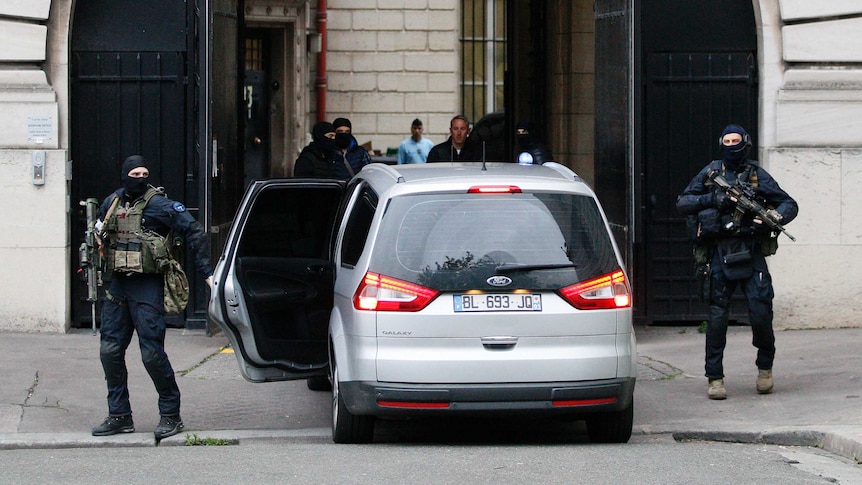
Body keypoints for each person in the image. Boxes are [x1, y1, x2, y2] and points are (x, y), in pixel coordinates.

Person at [92, 155, 213, 439]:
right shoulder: (112, 202)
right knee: (109, 352)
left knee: (152, 355)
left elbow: (194, 231)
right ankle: (119, 415)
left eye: (145, 172)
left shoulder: (160, 204)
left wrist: (208, 273)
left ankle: (171, 416)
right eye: (135, 173)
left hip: (148, 286)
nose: (140, 177)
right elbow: (98, 232)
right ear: (125, 174)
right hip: (119, 285)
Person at [676, 125, 798, 400]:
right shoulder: (711, 172)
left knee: (761, 313)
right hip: (719, 253)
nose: (732, 146)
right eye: (727, 141)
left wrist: (773, 217)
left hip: (750, 252)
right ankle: (715, 378)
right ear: (721, 144)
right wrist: (713, 199)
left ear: (746, 143)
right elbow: (684, 203)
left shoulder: (756, 175)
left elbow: (789, 204)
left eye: (737, 141)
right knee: (717, 319)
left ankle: (765, 368)